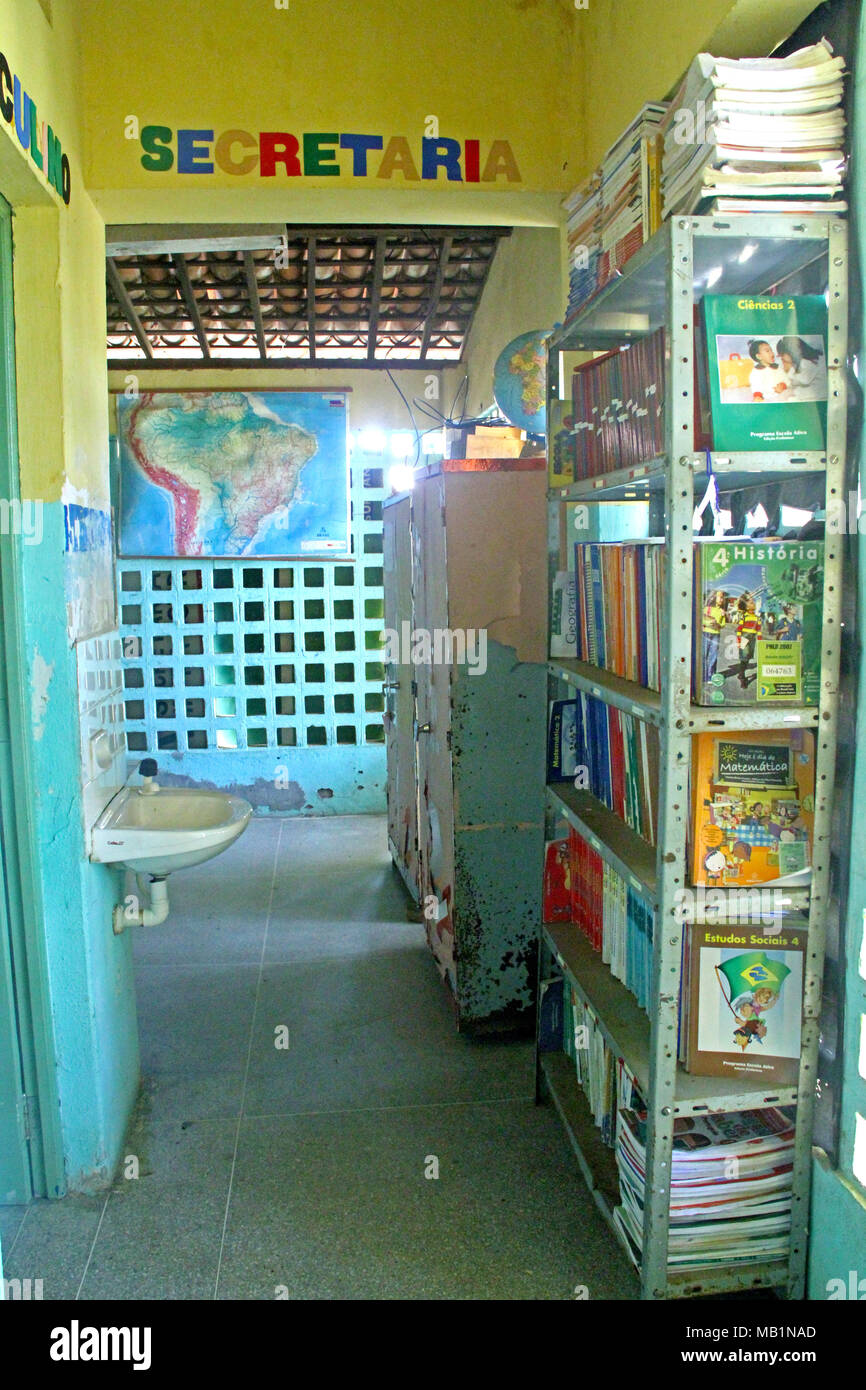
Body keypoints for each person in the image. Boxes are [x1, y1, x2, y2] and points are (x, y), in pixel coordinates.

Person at [776, 335, 826, 401]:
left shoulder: (807, 361)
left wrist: (789, 370)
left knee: (789, 396)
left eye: (782, 355)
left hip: (820, 390)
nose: (782, 358)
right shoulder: (800, 360)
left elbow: (804, 380)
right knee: (788, 394)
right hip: (813, 388)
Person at [702, 588, 727, 685]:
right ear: (713, 597)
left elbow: (723, 624)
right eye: (720, 597)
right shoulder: (706, 609)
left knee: (714, 655)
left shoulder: (721, 611)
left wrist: (719, 624)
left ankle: (710, 675)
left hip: (716, 634)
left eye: (723, 597)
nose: (722, 599)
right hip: (705, 633)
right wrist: (709, 622)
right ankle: (702, 674)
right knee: (704, 654)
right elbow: (701, 620)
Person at [736, 595, 762, 688]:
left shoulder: (757, 618)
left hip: (752, 639)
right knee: (744, 656)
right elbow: (739, 629)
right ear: (747, 607)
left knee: (748, 657)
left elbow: (759, 630)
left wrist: (760, 640)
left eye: (753, 602)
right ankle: (743, 678)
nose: (753, 603)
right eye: (751, 602)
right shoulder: (744, 617)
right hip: (744, 638)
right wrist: (739, 640)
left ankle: (740, 672)